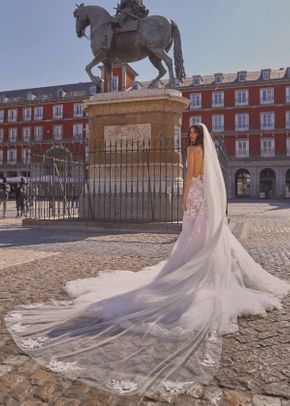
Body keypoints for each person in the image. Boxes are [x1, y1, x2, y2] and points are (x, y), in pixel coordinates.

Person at [5, 124, 290, 399]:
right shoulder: (208, 152)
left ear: (197, 137)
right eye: (190, 133)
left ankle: (193, 263)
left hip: (196, 193)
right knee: (199, 233)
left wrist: (183, 196)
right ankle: (199, 262)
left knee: (192, 232)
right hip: (208, 195)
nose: (190, 136)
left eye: (192, 133)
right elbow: (212, 180)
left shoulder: (192, 152)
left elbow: (190, 175)